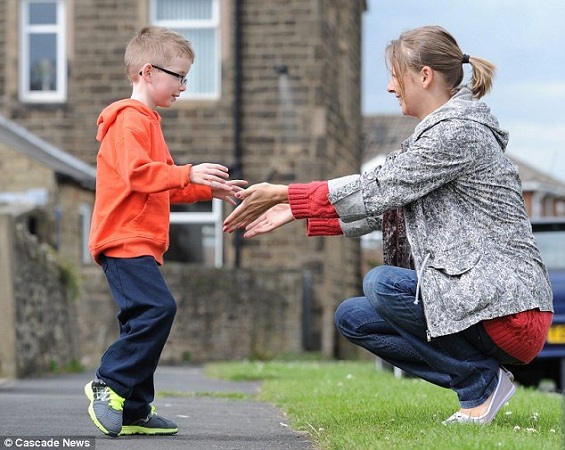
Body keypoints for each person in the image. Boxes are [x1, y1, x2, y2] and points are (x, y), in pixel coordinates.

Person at [223, 25, 554, 425]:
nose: (390, 87)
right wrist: (301, 210)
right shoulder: (436, 135)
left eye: (395, 75)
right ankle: (481, 379)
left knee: (381, 283)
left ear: (424, 76)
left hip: (510, 310)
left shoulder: (457, 133)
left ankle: (480, 384)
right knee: (353, 317)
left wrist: (286, 194)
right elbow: (391, 206)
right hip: (482, 303)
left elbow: (380, 188)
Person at [85, 26, 246, 437]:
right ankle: (109, 383)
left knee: (140, 319)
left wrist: (208, 188)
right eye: (178, 76)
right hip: (122, 238)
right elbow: (139, 175)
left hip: (138, 241)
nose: (183, 87)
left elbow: (165, 183)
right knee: (158, 309)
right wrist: (189, 170)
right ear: (146, 72)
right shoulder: (128, 121)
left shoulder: (149, 123)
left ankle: (135, 408)